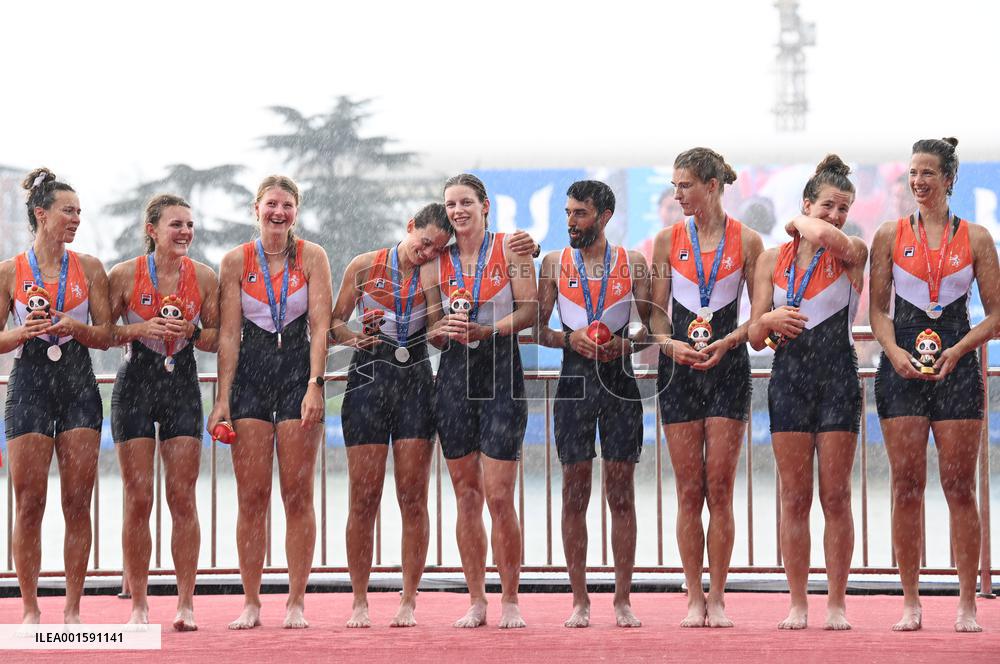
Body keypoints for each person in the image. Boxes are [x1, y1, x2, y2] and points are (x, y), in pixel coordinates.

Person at [870, 137, 999, 632]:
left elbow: (997, 316)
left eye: (928, 173)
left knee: (960, 487)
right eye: (913, 173)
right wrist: (893, 351)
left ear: (949, 179)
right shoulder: (890, 234)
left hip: (956, 369)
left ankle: (967, 602)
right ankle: (910, 601)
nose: (918, 181)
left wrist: (960, 350)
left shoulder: (977, 238)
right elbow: (877, 312)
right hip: (902, 369)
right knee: (906, 486)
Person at [206, 175, 333, 629]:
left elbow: (321, 326)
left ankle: (296, 601)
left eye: (287, 205)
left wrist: (315, 384)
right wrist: (222, 398)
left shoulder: (312, 256)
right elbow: (228, 335)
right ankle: (252, 602)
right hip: (251, 379)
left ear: (296, 212)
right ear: (255, 209)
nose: (278, 213)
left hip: (297, 374)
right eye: (271, 205)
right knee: (252, 496)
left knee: (297, 494)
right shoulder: (234, 261)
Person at [747, 155, 868, 630]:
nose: (836, 215)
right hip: (789, 381)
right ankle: (798, 601)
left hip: (838, 380)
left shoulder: (851, 250)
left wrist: (803, 222)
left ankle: (836, 602)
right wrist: (769, 319)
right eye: (828, 206)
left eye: (844, 208)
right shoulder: (771, 260)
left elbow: (826, 237)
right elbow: (755, 336)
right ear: (806, 202)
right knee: (795, 498)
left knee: (836, 497)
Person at [649, 148, 763, 627]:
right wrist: (669, 345)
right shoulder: (666, 241)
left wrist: (729, 340)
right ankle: (693, 594)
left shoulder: (748, 241)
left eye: (686, 186)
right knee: (689, 491)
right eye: (675, 186)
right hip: (678, 369)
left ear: (712, 186)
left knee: (720, 488)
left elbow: (758, 320)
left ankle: (718, 595)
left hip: (727, 367)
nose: (678, 195)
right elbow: (655, 318)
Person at [422, 173, 538, 629]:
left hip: (501, 373)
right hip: (454, 378)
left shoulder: (513, 248)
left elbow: (530, 311)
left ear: (485, 205)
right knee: (466, 495)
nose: (458, 211)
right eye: (451, 204)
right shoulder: (436, 261)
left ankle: (510, 599)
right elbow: (431, 328)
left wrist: (488, 330)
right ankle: (476, 599)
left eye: (466, 202)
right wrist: (441, 331)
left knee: (500, 495)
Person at [330, 203, 453, 628]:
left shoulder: (433, 273)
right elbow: (334, 324)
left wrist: (446, 328)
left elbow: (435, 335)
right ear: (410, 227)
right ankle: (359, 601)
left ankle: (409, 600)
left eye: (437, 249)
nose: (427, 253)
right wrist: (355, 337)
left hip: (414, 382)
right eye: (425, 243)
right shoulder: (364, 266)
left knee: (412, 497)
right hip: (367, 379)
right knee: (363, 498)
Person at [1, 168, 112, 624]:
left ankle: (72, 610)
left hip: (77, 383)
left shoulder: (90, 267)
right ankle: (30, 609)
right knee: (29, 502)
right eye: (68, 211)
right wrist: (20, 333)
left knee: (77, 502)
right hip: (29, 383)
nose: (76, 219)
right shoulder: (10, 270)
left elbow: (107, 335)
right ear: (41, 214)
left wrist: (75, 326)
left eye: (80, 212)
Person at [536, 180, 649, 628]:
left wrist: (626, 344)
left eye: (580, 213)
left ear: (604, 217)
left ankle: (622, 599)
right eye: (568, 213)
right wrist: (570, 339)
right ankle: (580, 600)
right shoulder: (553, 263)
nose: (571, 221)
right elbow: (538, 331)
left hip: (620, 384)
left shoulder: (634, 263)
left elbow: (649, 328)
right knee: (574, 493)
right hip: (574, 384)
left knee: (621, 494)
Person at [108, 194, 220, 630]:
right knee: (138, 498)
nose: (185, 232)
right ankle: (138, 604)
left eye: (189, 225)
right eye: (176, 224)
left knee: (182, 497)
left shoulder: (204, 277)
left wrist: (191, 330)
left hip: (182, 386)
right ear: (152, 230)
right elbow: (102, 332)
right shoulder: (124, 274)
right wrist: (140, 327)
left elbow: (217, 337)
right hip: (135, 384)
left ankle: (185, 602)